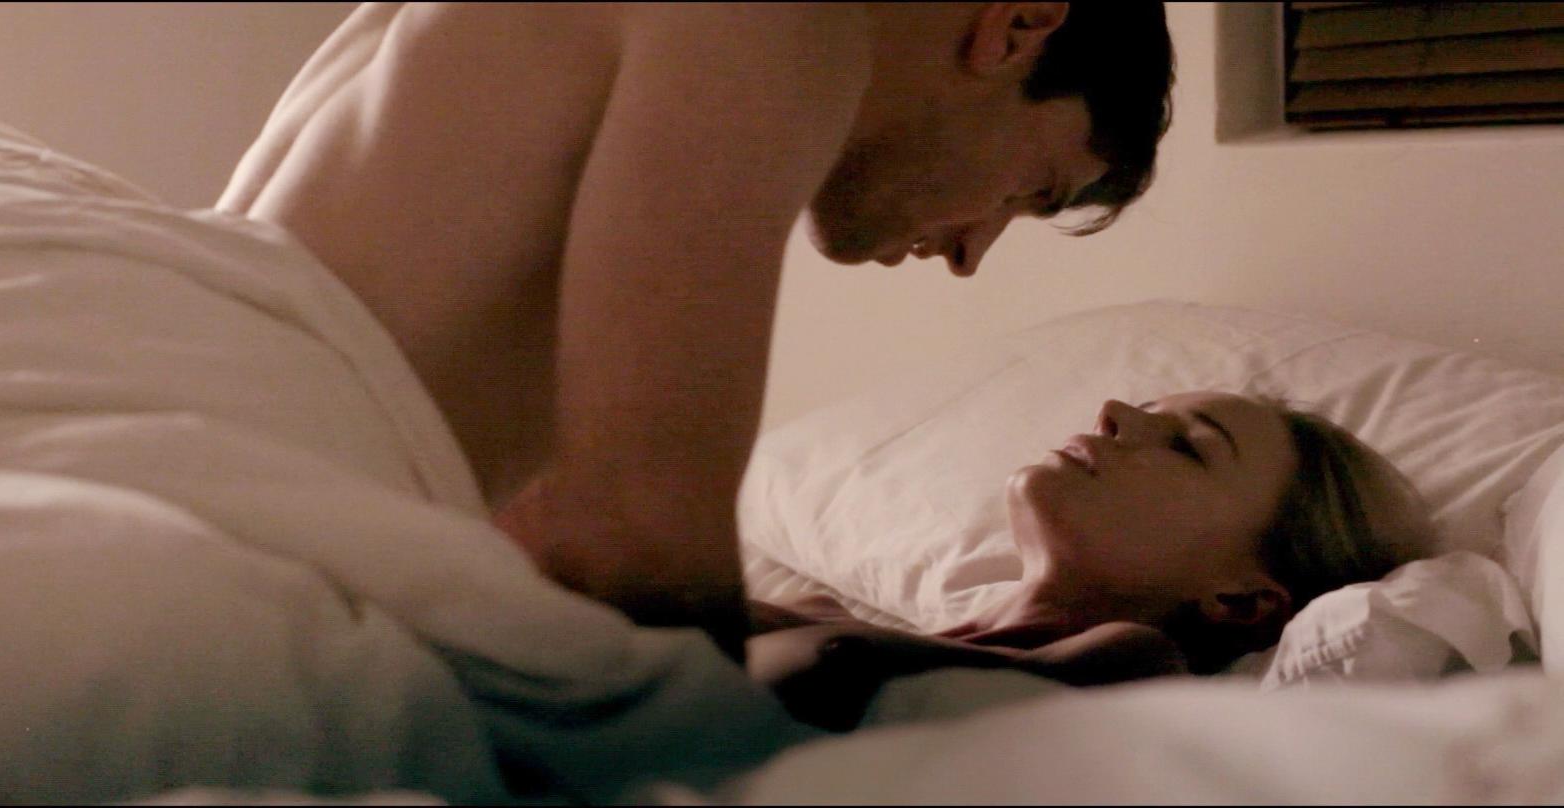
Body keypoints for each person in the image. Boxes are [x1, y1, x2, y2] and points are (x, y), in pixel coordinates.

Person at [216, 3, 1175, 658]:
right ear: (1019, 22)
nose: (971, 254)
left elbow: (536, 547)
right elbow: (632, 554)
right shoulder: (783, 24)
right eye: (1030, 191)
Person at [745, 391, 1438, 731]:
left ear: (1239, 599)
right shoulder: (826, 613)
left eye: (1186, 447)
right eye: (1148, 409)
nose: (1114, 413)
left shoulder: (1130, 662)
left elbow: (841, 676)